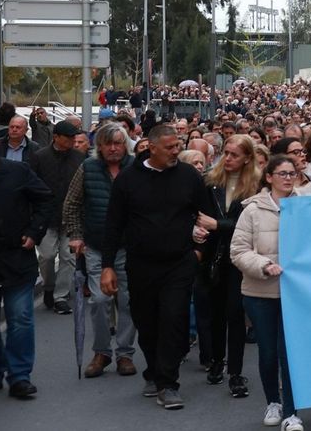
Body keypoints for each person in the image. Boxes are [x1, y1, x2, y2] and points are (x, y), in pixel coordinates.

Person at [101, 124, 211, 410]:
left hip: (179, 263)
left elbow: (206, 215)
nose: (177, 151)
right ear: (152, 148)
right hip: (141, 264)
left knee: (173, 320)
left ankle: (168, 383)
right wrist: (108, 266)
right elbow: (113, 224)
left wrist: (199, 251)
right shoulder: (128, 180)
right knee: (146, 321)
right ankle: (153, 371)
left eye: (178, 146)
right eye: (170, 147)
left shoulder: (189, 176)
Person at [231, 155, 304, 431]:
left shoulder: (304, 206)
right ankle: (272, 400)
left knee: (290, 354)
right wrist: (264, 265)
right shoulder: (251, 210)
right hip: (260, 293)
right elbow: (238, 251)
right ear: (269, 177)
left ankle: (291, 411)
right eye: (282, 173)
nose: (288, 178)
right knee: (268, 352)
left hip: (295, 296)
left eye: (292, 173)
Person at [63, 123, 138, 379]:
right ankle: (102, 352)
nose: (114, 148)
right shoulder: (87, 168)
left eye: (118, 143)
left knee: (129, 301)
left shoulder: (136, 168)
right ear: (100, 146)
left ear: (125, 144)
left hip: (130, 248)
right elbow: (71, 204)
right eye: (108, 144)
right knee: (99, 300)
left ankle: (125, 353)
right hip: (96, 246)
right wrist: (75, 236)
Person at [0, 130, 54, 399]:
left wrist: (34, 231)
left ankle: (19, 375)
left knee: (20, 318)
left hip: (16, 255)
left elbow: (45, 199)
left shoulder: (18, 171)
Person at [196, 134, 262, 397]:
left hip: (241, 259)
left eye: (235, 154)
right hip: (213, 255)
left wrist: (217, 225)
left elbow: (254, 225)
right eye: (227, 153)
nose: (229, 159)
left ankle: (235, 371)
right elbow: (198, 214)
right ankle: (215, 362)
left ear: (247, 157)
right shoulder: (210, 181)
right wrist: (199, 231)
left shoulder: (256, 186)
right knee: (214, 312)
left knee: (235, 314)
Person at [28, 120, 85, 314]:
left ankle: (60, 296)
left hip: (71, 218)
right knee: (47, 256)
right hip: (46, 216)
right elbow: (31, 186)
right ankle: (49, 287)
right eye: (68, 137)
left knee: (68, 257)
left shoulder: (79, 158)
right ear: (56, 137)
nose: (72, 140)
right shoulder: (39, 157)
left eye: (73, 137)